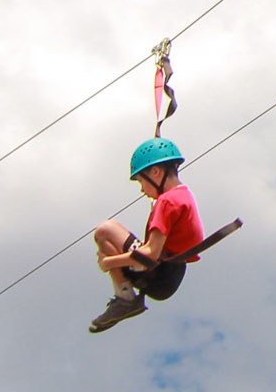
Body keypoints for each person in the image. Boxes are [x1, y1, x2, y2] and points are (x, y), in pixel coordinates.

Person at [88, 136, 205, 333]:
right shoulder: (183, 195)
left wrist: (109, 263)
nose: (142, 190)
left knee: (104, 231)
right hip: (170, 273)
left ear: (156, 172)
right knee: (111, 228)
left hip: (159, 273)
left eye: (142, 181)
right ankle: (125, 296)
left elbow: (150, 253)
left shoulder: (167, 202)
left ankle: (125, 297)